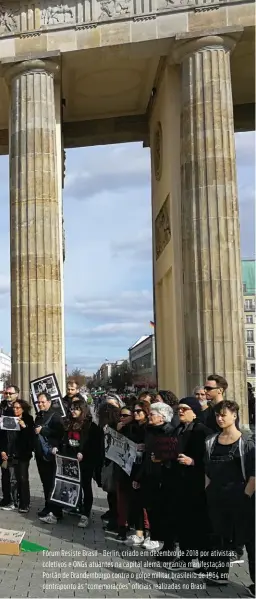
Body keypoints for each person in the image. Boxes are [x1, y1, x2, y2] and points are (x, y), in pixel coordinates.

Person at [205, 400, 255, 595]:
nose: (220, 418)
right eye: (217, 415)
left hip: (242, 496)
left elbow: (254, 473)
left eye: (223, 414)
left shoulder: (247, 442)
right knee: (220, 537)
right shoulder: (211, 441)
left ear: (234, 416)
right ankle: (219, 573)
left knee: (250, 541)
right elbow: (207, 470)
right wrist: (208, 491)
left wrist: (246, 496)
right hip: (217, 496)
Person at [158, 397, 212, 568]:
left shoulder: (203, 431)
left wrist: (193, 462)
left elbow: (211, 459)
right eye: (179, 408)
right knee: (182, 522)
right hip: (177, 483)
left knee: (197, 524)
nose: (180, 411)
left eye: (184, 409)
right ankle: (186, 557)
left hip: (196, 484)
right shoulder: (177, 429)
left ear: (194, 412)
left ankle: (204, 562)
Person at [135, 402, 174, 551]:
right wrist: (138, 477)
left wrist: (162, 458)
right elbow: (146, 457)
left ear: (162, 417)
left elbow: (171, 456)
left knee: (162, 510)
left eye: (152, 414)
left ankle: (160, 539)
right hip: (149, 475)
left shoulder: (169, 431)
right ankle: (153, 536)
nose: (149, 416)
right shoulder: (149, 431)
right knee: (150, 508)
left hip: (163, 477)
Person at [62, 399, 102, 528]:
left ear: (83, 410)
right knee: (74, 485)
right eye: (72, 409)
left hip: (86, 462)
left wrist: (84, 453)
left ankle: (86, 514)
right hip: (71, 460)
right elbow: (65, 440)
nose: (73, 411)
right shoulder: (69, 423)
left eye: (76, 409)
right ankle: (75, 507)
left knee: (86, 486)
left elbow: (96, 446)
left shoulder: (91, 426)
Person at [34, 392, 64, 524]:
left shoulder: (56, 416)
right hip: (41, 455)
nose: (40, 404)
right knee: (45, 483)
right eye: (38, 402)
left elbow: (60, 434)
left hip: (50, 455)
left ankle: (56, 511)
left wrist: (43, 431)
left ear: (49, 402)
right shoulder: (39, 415)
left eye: (43, 402)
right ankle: (48, 506)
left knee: (53, 483)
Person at [0, 399, 34, 512]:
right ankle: (13, 501)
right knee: (11, 478)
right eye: (14, 407)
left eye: (18, 408)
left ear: (23, 409)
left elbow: (30, 438)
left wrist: (24, 426)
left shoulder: (28, 419)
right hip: (9, 453)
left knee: (23, 479)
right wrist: (2, 450)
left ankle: (25, 503)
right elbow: (2, 436)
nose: (15, 409)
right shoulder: (8, 417)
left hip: (23, 455)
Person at [126, 400, 150, 546]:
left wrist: (145, 447)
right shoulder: (132, 427)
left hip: (146, 468)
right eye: (134, 411)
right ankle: (139, 532)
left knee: (146, 503)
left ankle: (149, 534)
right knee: (135, 501)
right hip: (133, 465)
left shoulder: (149, 428)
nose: (135, 414)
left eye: (139, 411)